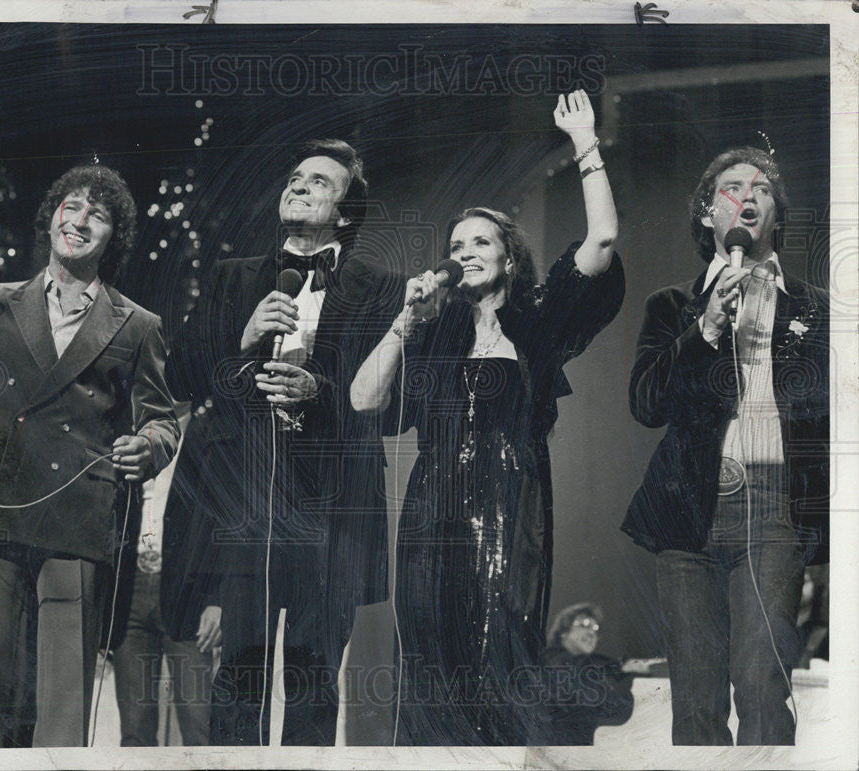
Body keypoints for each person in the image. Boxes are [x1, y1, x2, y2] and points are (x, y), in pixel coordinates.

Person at [351, 90, 624, 745]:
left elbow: (604, 238)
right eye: (456, 242)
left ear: (508, 255)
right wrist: (403, 321)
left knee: (497, 652)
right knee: (429, 658)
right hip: (431, 511)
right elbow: (363, 398)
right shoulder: (434, 331)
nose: (465, 249)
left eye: (480, 240)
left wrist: (584, 143)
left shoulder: (535, 320)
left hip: (511, 504)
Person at [0, 164, 180, 747]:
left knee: (64, 693)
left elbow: (162, 419)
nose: (80, 220)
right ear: (51, 219)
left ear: (111, 237)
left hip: (77, 512)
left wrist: (146, 445)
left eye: (97, 215)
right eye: (71, 207)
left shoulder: (138, 325)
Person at [163, 138, 401, 745]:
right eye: (295, 176)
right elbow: (182, 378)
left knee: (314, 686)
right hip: (248, 508)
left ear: (345, 213)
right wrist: (242, 338)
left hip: (330, 513)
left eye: (319, 181)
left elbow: (396, 409)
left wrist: (318, 389)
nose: (298, 185)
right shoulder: (231, 278)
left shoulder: (380, 288)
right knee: (237, 685)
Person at [623, 146, 829, 745]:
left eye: (760, 188)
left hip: (772, 507)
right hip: (690, 508)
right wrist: (706, 328)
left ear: (775, 215)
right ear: (709, 215)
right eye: (731, 187)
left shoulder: (816, 308)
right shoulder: (671, 306)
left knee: (763, 680)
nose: (747, 195)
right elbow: (645, 405)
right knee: (695, 698)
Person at [111, 410, 218, 746]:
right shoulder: (126, 431)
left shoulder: (208, 432)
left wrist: (217, 599)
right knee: (134, 731)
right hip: (130, 591)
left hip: (188, 595)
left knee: (200, 728)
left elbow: (222, 522)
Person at [540, 603, 638, 745]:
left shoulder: (584, 666)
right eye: (583, 625)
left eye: (595, 628)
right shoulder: (552, 662)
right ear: (563, 633)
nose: (592, 633)